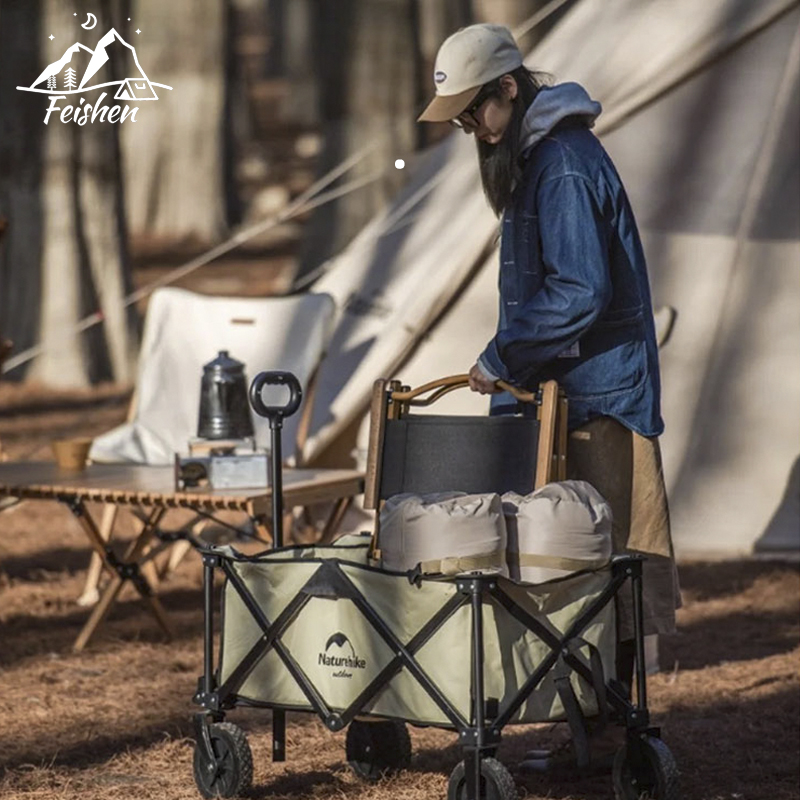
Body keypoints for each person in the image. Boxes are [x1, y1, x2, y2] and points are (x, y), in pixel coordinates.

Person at [418, 24, 680, 696]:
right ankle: (589, 719)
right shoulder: (540, 155)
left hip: (596, 399)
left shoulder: (562, 163)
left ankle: (616, 723)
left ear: (509, 86)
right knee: (570, 562)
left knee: (605, 560)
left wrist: (503, 355)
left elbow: (579, 290)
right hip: (566, 393)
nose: (474, 129)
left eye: (476, 111)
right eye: (462, 122)